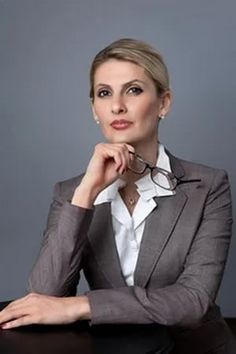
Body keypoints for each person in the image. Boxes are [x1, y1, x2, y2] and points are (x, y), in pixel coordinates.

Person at [0, 38, 235, 353]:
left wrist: (84, 306)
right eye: (104, 93)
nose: (117, 106)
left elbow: (193, 301)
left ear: (164, 103)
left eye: (134, 90)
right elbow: (45, 296)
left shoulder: (208, 185)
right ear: (94, 109)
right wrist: (86, 192)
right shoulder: (71, 192)